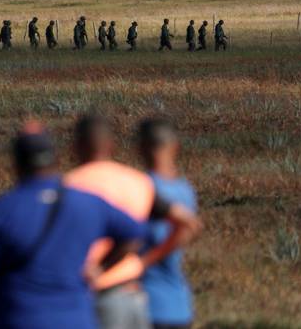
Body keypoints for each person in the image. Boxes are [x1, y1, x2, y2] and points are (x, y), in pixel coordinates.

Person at [0, 121, 145, 329]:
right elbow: (134, 234)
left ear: (16, 163)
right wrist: (100, 269)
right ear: (57, 159)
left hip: (19, 318)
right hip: (75, 319)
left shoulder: (1, 210)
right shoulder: (87, 203)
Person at [65, 114, 202, 329]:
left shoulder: (70, 185)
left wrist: (139, 262)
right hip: (155, 298)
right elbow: (188, 222)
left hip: (106, 293)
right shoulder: (150, 185)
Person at [137, 118, 199, 329]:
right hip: (179, 304)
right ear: (175, 146)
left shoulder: (139, 187)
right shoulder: (185, 191)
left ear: (141, 148)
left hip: (144, 303)